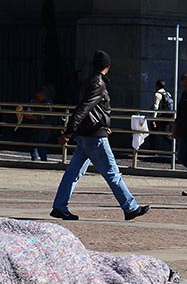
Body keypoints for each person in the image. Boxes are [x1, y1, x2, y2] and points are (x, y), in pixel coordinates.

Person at [51, 50, 149, 221]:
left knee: (73, 172)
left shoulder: (90, 81)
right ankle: (130, 207)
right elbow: (85, 108)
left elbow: (92, 109)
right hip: (94, 136)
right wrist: (69, 131)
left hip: (87, 133)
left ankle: (60, 206)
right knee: (112, 173)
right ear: (108, 67)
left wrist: (100, 126)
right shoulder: (98, 83)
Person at [21, 87, 52, 161]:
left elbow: (39, 117)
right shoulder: (37, 102)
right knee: (37, 145)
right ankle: (40, 160)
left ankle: (39, 160)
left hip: (43, 127)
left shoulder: (46, 104)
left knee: (38, 145)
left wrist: (26, 115)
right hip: (38, 127)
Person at [151, 79, 174, 151]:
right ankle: (175, 146)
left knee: (153, 133)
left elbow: (156, 107)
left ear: (157, 85)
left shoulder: (157, 94)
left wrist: (153, 119)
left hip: (159, 117)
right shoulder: (167, 93)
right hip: (168, 116)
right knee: (165, 133)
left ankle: (153, 150)